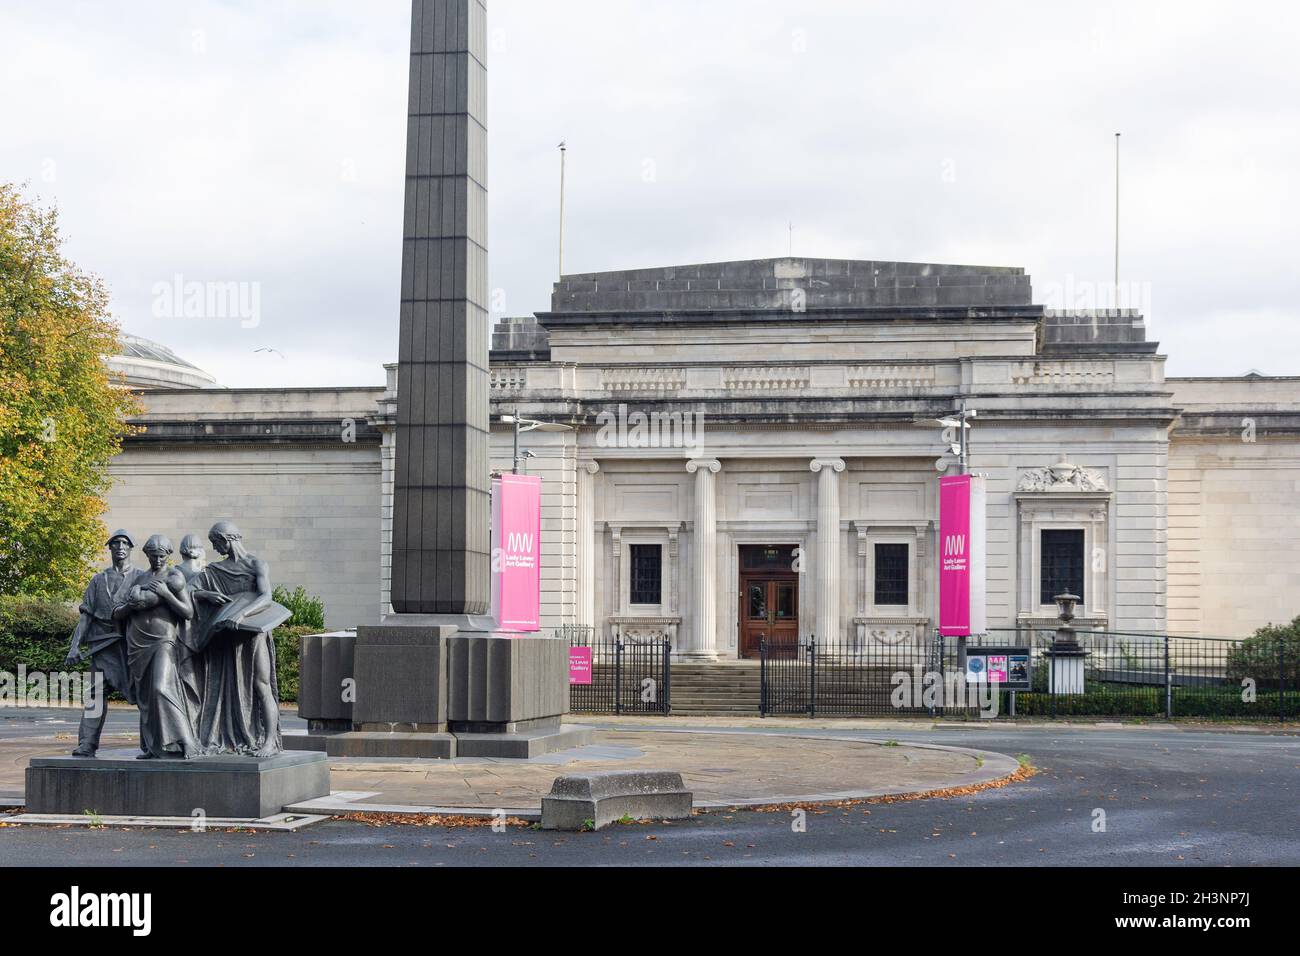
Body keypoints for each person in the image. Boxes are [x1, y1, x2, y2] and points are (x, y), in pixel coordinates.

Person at [189, 521, 285, 756]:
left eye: (216, 543)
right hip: (226, 639)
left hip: (253, 634)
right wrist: (206, 595)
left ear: (226, 539)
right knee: (227, 688)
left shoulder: (256, 564)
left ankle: (270, 741)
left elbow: (266, 596)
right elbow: (188, 590)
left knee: (262, 685)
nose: (215, 548)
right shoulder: (213, 571)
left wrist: (241, 614)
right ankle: (229, 736)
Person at [112, 535, 199, 759]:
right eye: (153, 555)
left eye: (161, 556)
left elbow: (187, 612)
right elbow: (118, 612)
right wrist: (131, 605)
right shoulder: (139, 578)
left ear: (168, 555)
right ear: (147, 555)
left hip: (163, 640)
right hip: (137, 642)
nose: (158, 559)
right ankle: (154, 746)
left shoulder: (174, 577)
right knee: (145, 697)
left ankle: (186, 741)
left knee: (162, 687)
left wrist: (166, 595)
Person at [64, 530, 146, 757]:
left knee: (143, 696)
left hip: (129, 647)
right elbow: (85, 616)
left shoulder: (141, 577)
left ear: (130, 548)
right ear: (109, 548)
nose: (120, 546)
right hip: (101, 648)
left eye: (124, 543)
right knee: (95, 696)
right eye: (115, 543)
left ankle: (150, 745)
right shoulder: (98, 580)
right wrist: (74, 646)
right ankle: (87, 744)